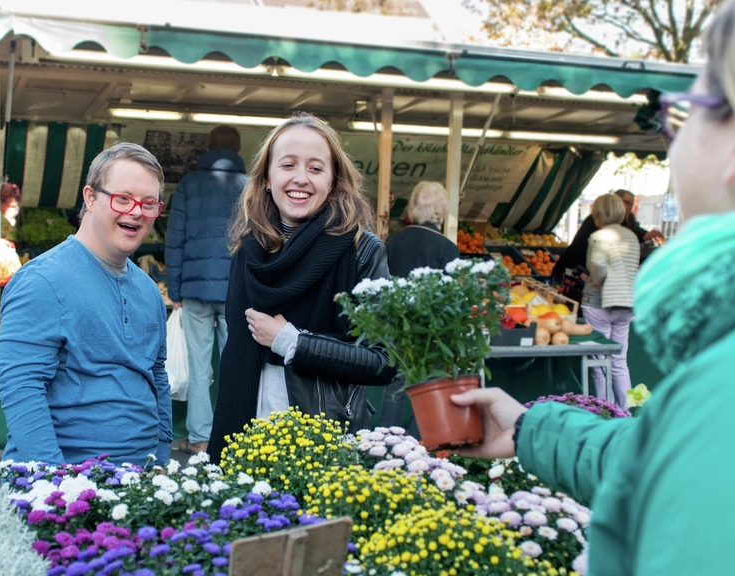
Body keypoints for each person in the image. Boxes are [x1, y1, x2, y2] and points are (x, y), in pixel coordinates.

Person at [451, 4, 735, 572]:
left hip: (604, 303)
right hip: (623, 310)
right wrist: (531, 428)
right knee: (618, 358)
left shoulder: (721, 385)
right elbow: (655, 463)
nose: (672, 140)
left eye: (683, 113)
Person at [207, 112, 396, 462]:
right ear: (267, 178)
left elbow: (383, 360)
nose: (301, 178)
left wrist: (293, 342)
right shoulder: (248, 250)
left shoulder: (362, 250)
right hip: (248, 437)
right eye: (288, 165)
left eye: (315, 168)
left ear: (333, 180)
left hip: (325, 443)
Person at [0, 142, 172, 466]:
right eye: (123, 198)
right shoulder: (41, 281)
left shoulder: (149, 290)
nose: (136, 212)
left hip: (143, 482)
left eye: (149, 204)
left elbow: (157, 376)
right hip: (68, 485)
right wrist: (56, 483)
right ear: (90, 198)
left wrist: (160, 460)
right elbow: (20, 389)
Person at [165, 125, 249, 455]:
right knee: (235, 366)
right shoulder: (250, 186)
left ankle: (200, 438)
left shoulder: (188, 184)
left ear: (208, 150)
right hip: (236, 291)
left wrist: (175, 290)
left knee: (199, 366)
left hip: (196, 289)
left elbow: (175, 240)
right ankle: (233, 437)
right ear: (238, 151)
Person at [381, 181, 460, 435]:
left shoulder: (394, 241)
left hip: (397, 323)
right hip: (431, 331)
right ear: (441, 210)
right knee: (426, 387)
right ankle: (417, 444)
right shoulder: (447, 248)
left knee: (395, 386)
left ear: (414, 206)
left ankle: (387, 442)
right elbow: (451, 299)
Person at [582, 193, 640, 406]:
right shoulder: (631, 237)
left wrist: (600, 281)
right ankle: (626, 410)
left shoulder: (600, 236)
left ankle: (605, 411)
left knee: (599, 362)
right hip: (626, 304)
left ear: (598, 214)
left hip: (598, 303)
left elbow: (597, 263)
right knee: (619, 361)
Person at [551, 188, 664, 279]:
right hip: (575, 268)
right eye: (626, 203)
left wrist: (645, 235)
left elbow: (634, 230)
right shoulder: (598, 222)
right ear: (614, 202)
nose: (629, 207)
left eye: (631, 204)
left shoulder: (626, 222)